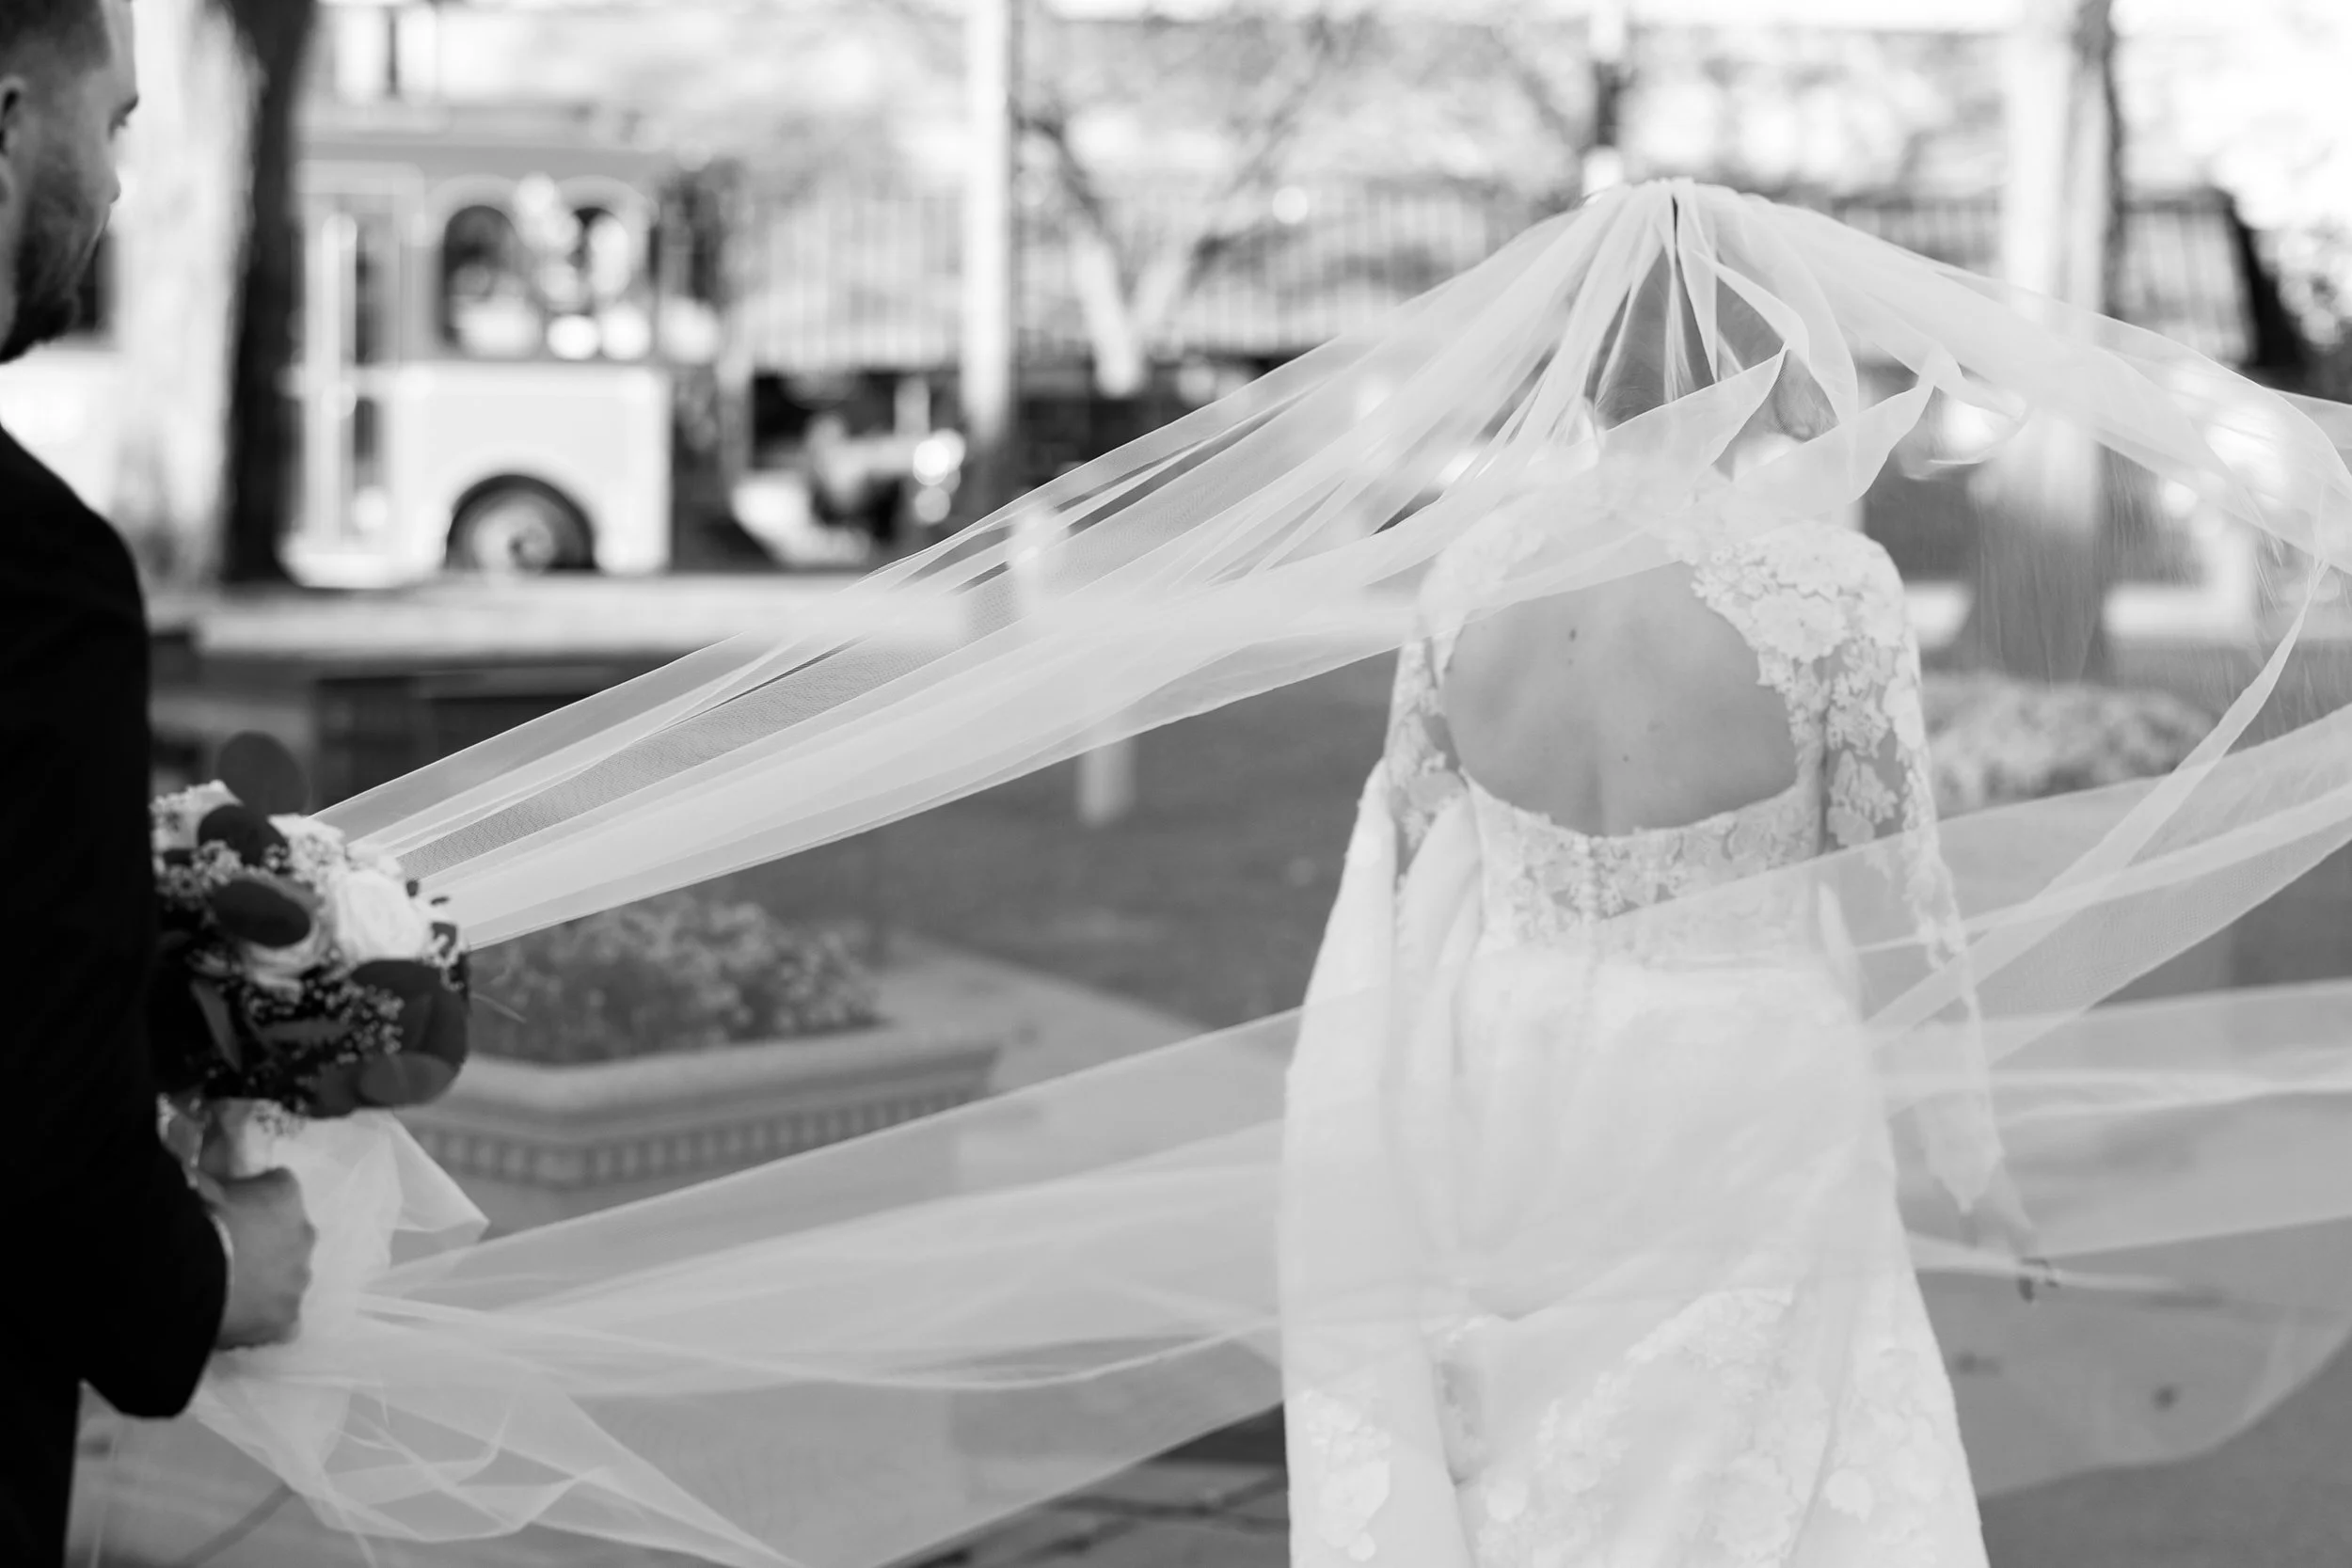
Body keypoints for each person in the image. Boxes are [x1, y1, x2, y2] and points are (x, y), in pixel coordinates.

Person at [0, 3, 312, 1560]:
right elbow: (29, 1127)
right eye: (111, 124)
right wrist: (211, 1269)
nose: (121, 185)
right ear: (4, 122)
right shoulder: (32, 575)